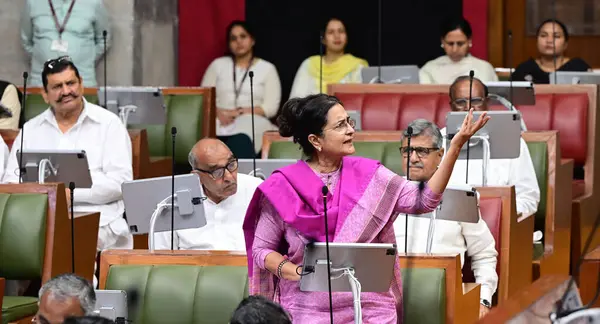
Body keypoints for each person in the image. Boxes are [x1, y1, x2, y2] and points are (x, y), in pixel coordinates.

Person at [243, 93, 488, 322]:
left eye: (349, 122)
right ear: (315, 140)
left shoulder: (371, 175)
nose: (351, 130)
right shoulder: (283, 186)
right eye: (340, 126)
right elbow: (262, 249)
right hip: (305, 308)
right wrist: (294, 271)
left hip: (368, 304)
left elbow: (424, 201)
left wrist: (455, 147)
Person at [3, 57, 133, 267]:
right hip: (41, 220)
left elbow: (121, 182)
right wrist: (49, 198)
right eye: (57, 87)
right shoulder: (31, 130)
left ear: (81, 83)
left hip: (99, 220)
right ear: (45, 95)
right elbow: (11, 181)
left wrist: (68, 195)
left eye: (70, 83)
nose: (66, 91)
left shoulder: (109, 125)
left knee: (67, 245)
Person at [394, 119, 498, 319]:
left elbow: (484, 254)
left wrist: (483, 298)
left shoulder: (460, 197)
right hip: (391, 299)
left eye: (422, 151)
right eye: (407, 151)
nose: (413, 158)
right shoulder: (387, 193)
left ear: (440, 155)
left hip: (445, 299)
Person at [444, 76, 540, 218]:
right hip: (449, 223)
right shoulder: (437, 141)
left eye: (476, 101)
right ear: (451, 105)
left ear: (487, 103)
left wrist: (497, 215)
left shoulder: (512, 141)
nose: (469, 107)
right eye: (460, 102)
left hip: (498, 223)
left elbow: (528, 198)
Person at [155, 138, 262, 250]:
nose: (229, 177)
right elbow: (160, 256)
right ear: (198, 176)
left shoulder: (256, 189)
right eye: (217, 172)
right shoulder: (172, 202)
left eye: (231, 165)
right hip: (194, 265)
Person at [201, 21, 281, 156]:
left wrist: (237, 113)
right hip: (218, 118)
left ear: (252, 40)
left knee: (244, 135)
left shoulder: (267, 69)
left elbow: (270, 108)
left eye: (243, 36)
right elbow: (204, 97)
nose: (238, 41)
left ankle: (242, 174)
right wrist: (218, 113)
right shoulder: (218, 65)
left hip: (252, 119)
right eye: (233, 38)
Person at [20, 0, 111, 87]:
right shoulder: (33, 2)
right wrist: (41, 56)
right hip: (41, 83)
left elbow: (104, 39)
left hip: (83, 82)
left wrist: (86, 59)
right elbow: (26, 41)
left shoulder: (94, 3)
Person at [289, 18, 368, 98]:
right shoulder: (310, 64)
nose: (337, 36)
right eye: (331, 32)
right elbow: (295, 101)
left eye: (341, 31)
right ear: (323, 39)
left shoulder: (357, 66)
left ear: (347, 37)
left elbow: (362, 101)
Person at [420, 17, 498, 84]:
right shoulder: (429, 69)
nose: (455, 49)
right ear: (442, 41)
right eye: (450, 43)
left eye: (460, 43)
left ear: (469, 41)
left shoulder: (484, 68)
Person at [512, 19, 591, 84]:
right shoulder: (524, 70)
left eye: (556, 36)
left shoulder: (579, 68)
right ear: (536, 41)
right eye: (543, 35)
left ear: (565, 44)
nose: (549, 40)